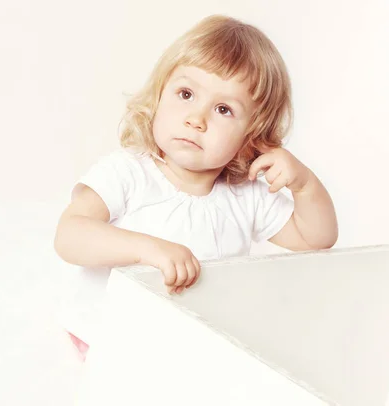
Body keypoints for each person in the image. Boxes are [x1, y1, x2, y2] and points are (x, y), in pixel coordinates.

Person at [54, 14, 338, 361]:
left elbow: (316, 238)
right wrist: (148, 249)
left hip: (190, 350)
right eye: (186, 94)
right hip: (107, 341)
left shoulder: (244, 196)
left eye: (223, 109)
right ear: (159, 95)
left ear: (253, 136)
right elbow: (70, 236)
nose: (196, 118)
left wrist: (305, 185)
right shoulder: (128, 172)